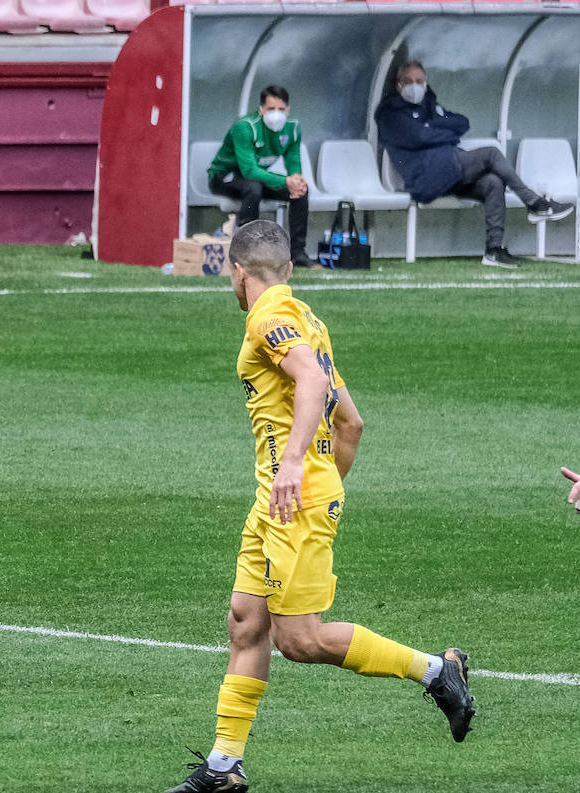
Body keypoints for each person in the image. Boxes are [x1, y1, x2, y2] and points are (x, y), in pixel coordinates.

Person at [165, 220, 476, 793]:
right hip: (282, 500)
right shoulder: (309, 319)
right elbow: (351, 422)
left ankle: (437, 670)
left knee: (300, 640)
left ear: (237, 271)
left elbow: (310, 382)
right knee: (245, 622)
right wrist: (322, 486)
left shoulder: (269, 319)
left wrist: (296, 472)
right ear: (286, 268)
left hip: (291, 497)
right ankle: (223, 769)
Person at [376, 59, 574, 269]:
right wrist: (440, 131)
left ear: (425, 84)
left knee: (492, 182)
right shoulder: (390, 113)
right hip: (425, 178)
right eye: (408, 81)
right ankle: (536, 204)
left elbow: (461, 123)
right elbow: (418, 137)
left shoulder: (430, 107)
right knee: (491, 154)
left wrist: (433, 127)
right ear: (399, 85)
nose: (414, 86)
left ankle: (494, 250)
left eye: (419, 81)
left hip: (448, 172)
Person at [208, 85, 312, 268]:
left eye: (281, 109)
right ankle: (246, 251)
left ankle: (298, 253)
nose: (276, 114)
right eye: (271, 109)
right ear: (261, 109)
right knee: (253, 186)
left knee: (301, 192)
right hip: (224, 177)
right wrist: (285, 181)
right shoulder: (245, 127)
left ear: (288, 109)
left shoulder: (292, 128)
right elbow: (249, 170)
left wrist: (296, 180)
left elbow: (293, 158)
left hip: (255, 179)